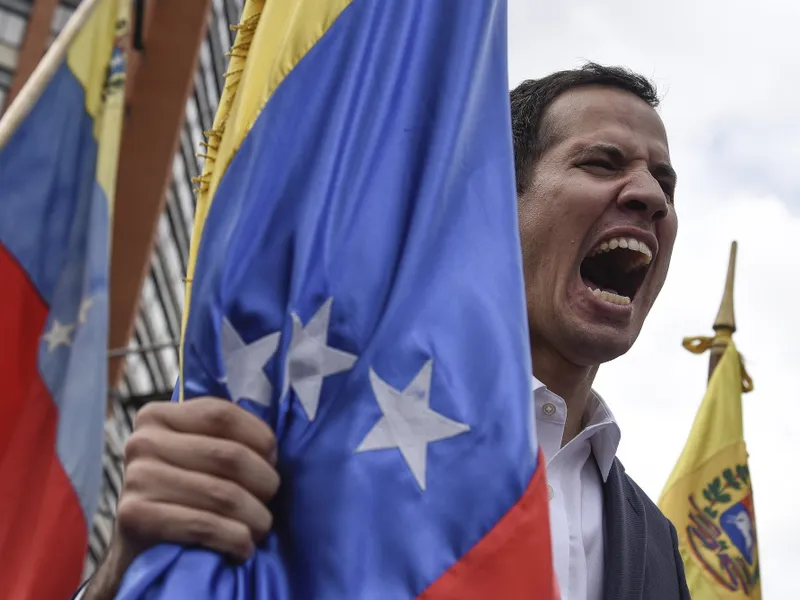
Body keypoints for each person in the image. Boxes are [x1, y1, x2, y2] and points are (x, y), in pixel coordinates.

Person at [79, 63, 690, 600]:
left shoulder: (657, 545)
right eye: (601, 162)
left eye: (664, 183)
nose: (649, 197)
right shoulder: (317, 426)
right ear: (496, 206)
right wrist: (125, 574)